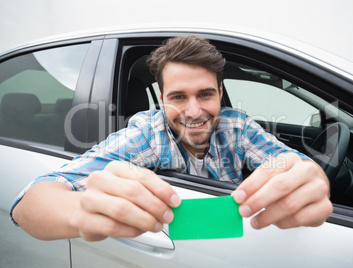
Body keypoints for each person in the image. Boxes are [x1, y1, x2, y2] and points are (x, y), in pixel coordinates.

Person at [11, 35, 332, 241]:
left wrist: (310, 175)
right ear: (161, 99)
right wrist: (81, 210)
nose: (194, 111)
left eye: (205, 94)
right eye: (178, 97)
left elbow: (289, 164)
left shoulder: (238, 127)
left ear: (220, 92)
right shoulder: (147, 135)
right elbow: (29, 203)